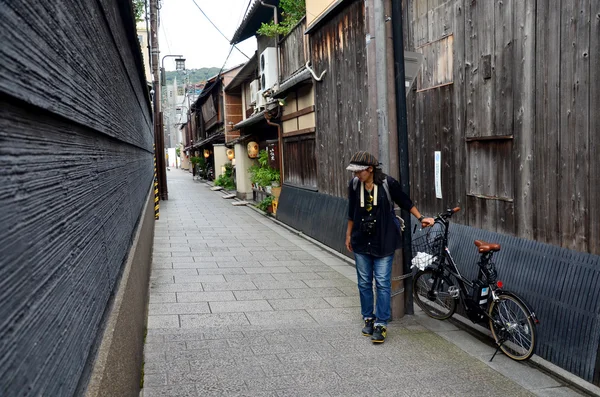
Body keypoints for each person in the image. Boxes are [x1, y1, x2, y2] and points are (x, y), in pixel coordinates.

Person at [345, 151, 434, 343]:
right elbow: (351, 211)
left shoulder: (387, 183)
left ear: (370, 169)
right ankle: (368, 318)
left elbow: (405, 202)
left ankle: (381, 323)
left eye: (359, 172)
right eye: (354, 172)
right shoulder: (354, 185)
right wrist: (348, 235)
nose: (356, 175)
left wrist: (421, 218)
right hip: (361, 239)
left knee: (383, 282)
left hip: (384, 240)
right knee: (363, 282)